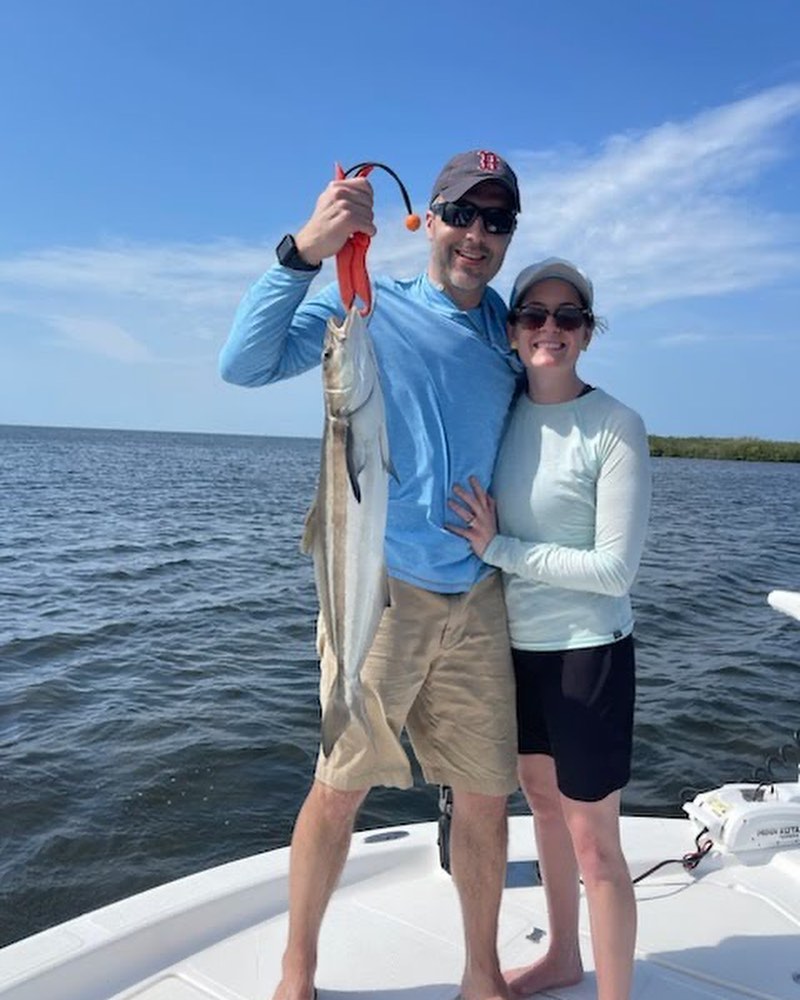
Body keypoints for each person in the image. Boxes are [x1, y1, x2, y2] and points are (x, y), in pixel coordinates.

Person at [219, 150, 524, 1000]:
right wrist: (305, 250)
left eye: (496, 222)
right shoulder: (366, 306)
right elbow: (243, 365)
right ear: (426, 219)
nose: (477, 235)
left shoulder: (508, 331)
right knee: (339, 787)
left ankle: (481, 973)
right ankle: (297, 966)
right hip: (378, 593)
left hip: (480, 597)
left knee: (485, 798)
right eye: (463, 215)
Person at [448, 258, 651, 1000]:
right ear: (512, 331)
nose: (550, 329)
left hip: (588, 655)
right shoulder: (501, 414)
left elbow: (613, 571)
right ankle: (564, 954)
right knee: (538, 802)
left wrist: (499, 550)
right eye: (534, 314)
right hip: (515, 650)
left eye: (568, 317)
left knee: (596, 844)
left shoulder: (615, 426)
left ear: (587, 334)